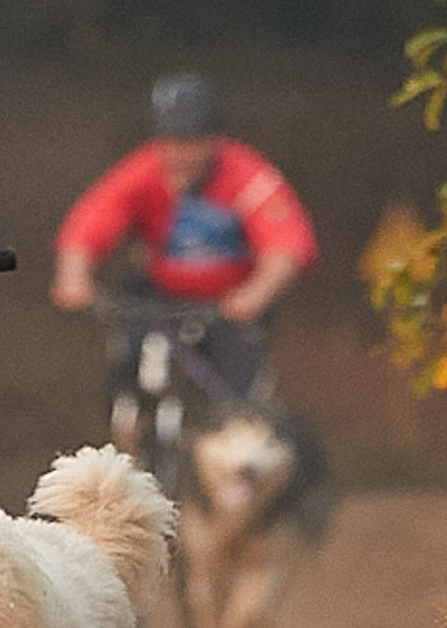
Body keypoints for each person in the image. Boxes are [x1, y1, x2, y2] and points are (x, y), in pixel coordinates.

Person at [48, 72, 316, 404]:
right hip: (158, 299)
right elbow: (92, 220)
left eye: (194, 141)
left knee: (237, 401)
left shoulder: (248, 175)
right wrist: (74, 276)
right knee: (124, 372)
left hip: (228, 305)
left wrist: (256, 294)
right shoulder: (143, 170)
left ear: (214, 137)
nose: (183, 154)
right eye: (174, 141)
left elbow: (286, 245)